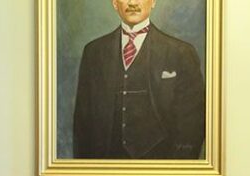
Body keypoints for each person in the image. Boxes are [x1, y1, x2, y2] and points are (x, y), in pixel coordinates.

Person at [73, 0, 205, 160]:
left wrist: (173, 169)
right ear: (115, 3)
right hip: (107, 166)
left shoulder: (181, 53)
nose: (132, 3)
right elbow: (82, 123)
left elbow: (192, 124)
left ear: (153, 2)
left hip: (161, 165)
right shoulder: (94, 52)